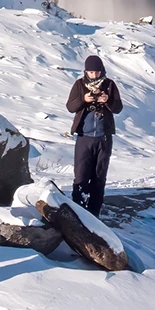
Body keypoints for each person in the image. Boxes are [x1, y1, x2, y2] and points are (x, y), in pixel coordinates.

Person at [64, 55, 123, 216]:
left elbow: (118, 108)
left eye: (96, 72)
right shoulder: (79, 84)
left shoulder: (109, 85)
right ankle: (79, 210)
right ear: (86, 72)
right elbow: (70, 106)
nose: (94, 75)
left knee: (99, 176)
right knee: (81, 174)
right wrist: (83, 99)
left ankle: (94, 212)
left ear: (101, 71)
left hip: (104, 138)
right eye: (90, 72)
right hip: (84, 136)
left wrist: (107, 100)